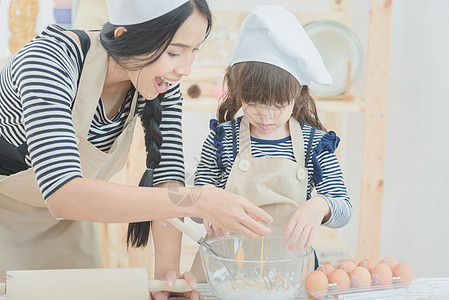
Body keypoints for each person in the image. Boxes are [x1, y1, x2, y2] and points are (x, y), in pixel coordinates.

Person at [0, 0, 273, 298]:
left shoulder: (158, 86)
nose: (185, 68)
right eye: (173, 52)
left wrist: (168, 277)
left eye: (194, 51)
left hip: (68, 225)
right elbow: (64, 194)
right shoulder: (48, 61)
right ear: (124, 37)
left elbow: (168, 175)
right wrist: (200, 200)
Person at [190, 4, 352, 282]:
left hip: (286, 276)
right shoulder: (222, 139)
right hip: (225, 272)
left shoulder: (315, 143)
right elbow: (196, 204)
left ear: (298, 93)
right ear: (237, 90)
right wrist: (205, 205)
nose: (265, 116)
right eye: (252, 103)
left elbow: (343, 208)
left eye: (278, 105)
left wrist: (319, 207)